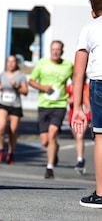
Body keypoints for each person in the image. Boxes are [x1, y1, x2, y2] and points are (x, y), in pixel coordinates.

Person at [71, 0, 102, 208]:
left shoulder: (89, 28)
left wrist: (79, 106)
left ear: (93, 12)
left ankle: (101, 193)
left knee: (101, 138)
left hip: (99, 83)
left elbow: (79, 71)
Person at [28, 40, 73, 179]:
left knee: (53, 134)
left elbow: (76, 81)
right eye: (53, 49)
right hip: (44, 105)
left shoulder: (68, 65)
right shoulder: (42, 63)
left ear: (62, 51)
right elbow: (31, 80)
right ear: (50, 50)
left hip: (59, 105)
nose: (55, 52)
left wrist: (73, 97)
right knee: (45, 141)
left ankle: (50, 168)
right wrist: (42, 87)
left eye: (58, 49)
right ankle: (55, 149)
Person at [0, 55, 28, 164]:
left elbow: (25, 91)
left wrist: (17, 86)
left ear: (16, 63)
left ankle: (11, 152)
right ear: (6, 63)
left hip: (15, 106)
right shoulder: (2, 75)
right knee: (1, 127)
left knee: (13, 131)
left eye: (13, 62)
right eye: (9, 62)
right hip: (3, 104)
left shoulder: (21, 76)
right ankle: (1, 149)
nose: (11, 64)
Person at [67, 79, 91, 174]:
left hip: (85, 115)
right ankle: (80, 158)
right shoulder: (69, 87)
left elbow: (88, 99)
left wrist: (88, 107)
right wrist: (70, 100)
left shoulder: (87, 87)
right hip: (73, 116)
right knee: (77, 138)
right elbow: (64, 98)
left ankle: (80, 160)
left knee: (80, 136)